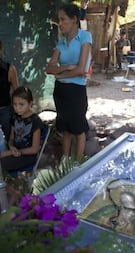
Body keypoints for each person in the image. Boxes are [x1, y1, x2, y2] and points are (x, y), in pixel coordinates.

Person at [46, 3, 92, 161]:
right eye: (59, 19)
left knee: (78, 129)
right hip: (61, 92)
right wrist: (67, 67)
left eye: (63, 19)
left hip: (76, 91)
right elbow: (49, 68)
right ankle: (65, 161)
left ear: (74, 20)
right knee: (65, 128)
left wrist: (61, 75)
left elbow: (81, 69)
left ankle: (77, 163)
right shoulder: (61, 42)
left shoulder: (85, 37)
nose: (60, 23)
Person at [0, 87, 42, 197]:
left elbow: (34, 149)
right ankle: (12, 194)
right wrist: (11, 146)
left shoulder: (35, 121)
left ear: (30, 103)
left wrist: (17, 152)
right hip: (14, 153)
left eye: (21, 104)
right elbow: (11, 139)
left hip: (26, 156)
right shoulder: (15, 118)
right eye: (15, 104)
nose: (17, 108)